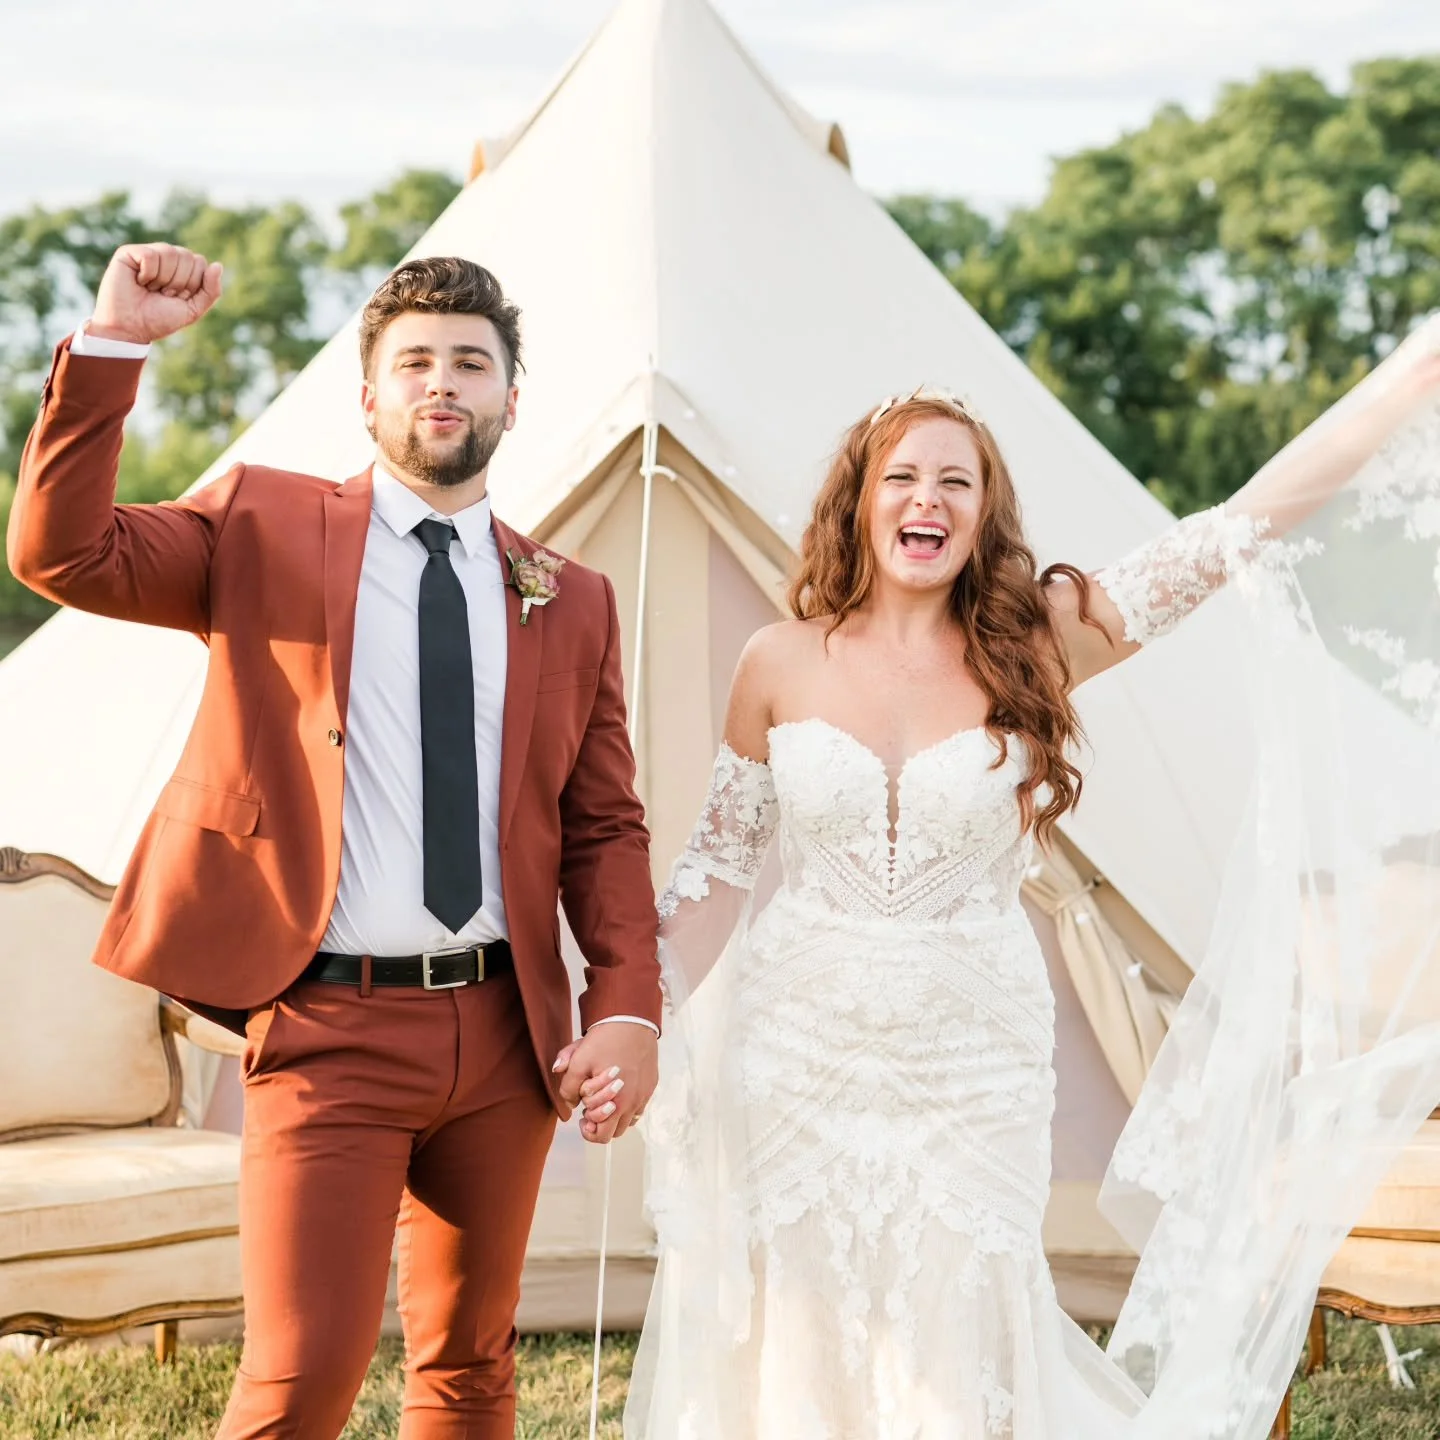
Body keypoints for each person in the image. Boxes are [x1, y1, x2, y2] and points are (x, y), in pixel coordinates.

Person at [614, 337, 1440, 1437]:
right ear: (859, 505)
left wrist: (1409, 378)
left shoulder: (1040, 646)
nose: (928, 498)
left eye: (957, 481)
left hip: (972, 1061)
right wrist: (633, 1008)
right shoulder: (776, 660)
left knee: (962, 1314)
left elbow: (1229, 530)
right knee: (805, 1320)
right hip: (796, 1050)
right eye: (903, 476)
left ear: (984, 516)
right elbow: (717, 868)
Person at [7, 243, 661, 1439]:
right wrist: (112, 349)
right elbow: (61, 553)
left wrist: (627, 1002)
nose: (443, 382)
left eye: (472, 361)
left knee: (471, 1371)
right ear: (370, 398)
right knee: (301, 1379)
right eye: (414, 362)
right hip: (331, 1027)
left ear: (512, 397)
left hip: (507, 1038)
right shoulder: (264, 523)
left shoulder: (567, 595)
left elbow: (603, 823)